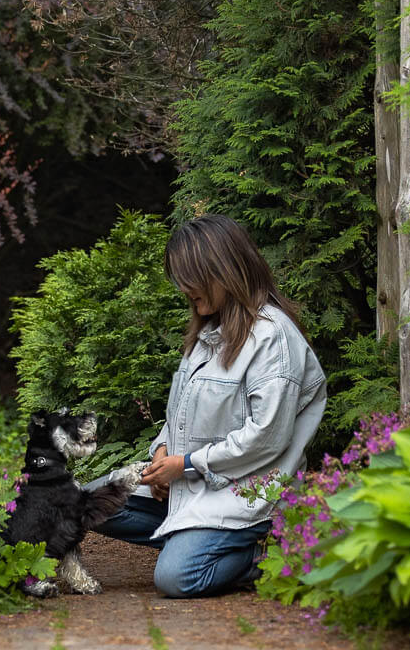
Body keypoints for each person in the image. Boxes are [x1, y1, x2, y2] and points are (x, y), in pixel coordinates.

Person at [90, 213, 326, 598]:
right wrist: (163, 452)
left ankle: (264, 550)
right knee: (92, 502)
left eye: (190, 278)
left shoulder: (273, 338)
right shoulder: (208, 334)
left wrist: (184, 465)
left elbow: (268, 437)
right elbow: (179, 413)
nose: (184, 288)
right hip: (193, 484)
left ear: (222, 270)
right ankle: (194, 538)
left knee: (177, 578)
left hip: (247, 494)